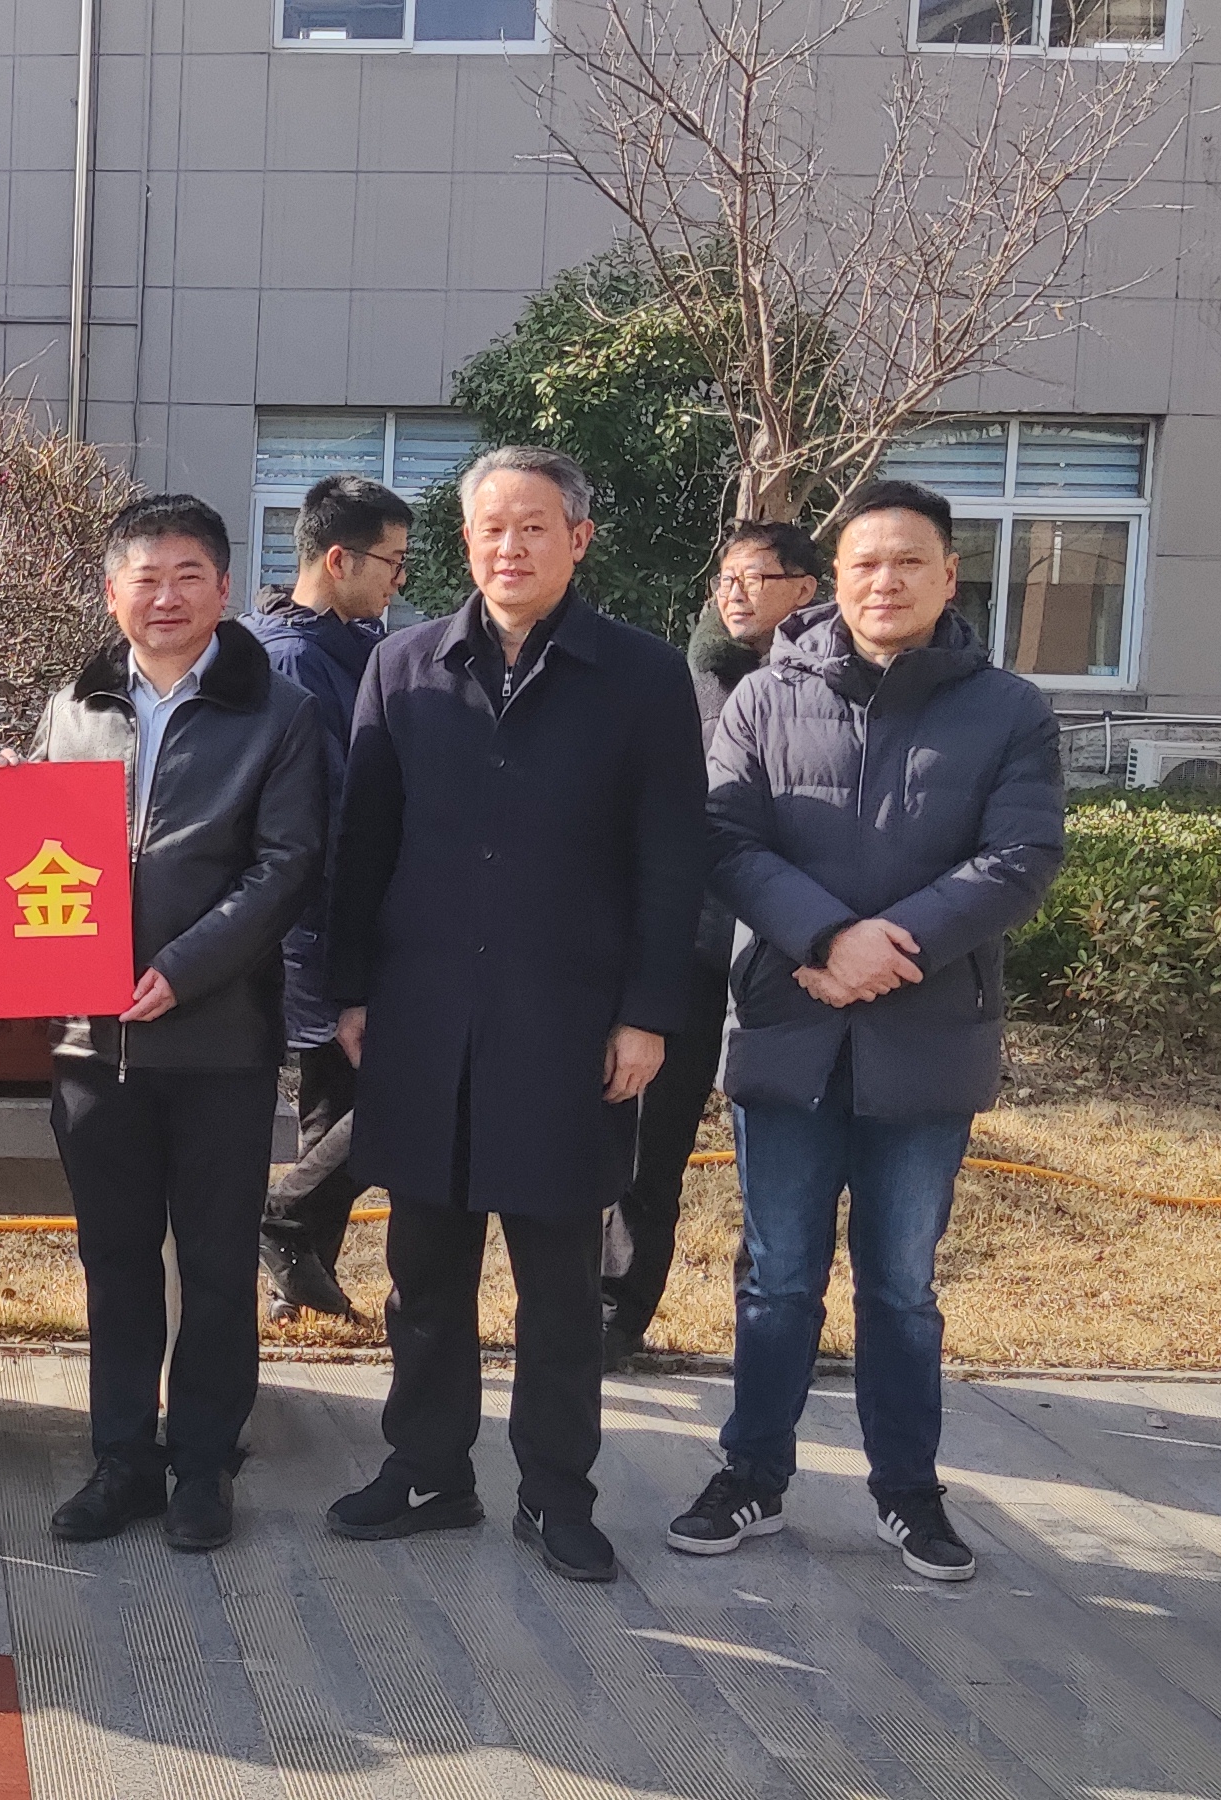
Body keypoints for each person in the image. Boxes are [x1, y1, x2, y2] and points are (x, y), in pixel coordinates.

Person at [319, 446, 704, 1584]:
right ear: (465, 541)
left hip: (567, 1021)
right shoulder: (403, 668)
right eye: (491, 527)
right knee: (424, 1271)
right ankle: (428, 1469)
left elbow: (672, 858)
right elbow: (362, 843)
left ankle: (556, 1493)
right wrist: (350, 991)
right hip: (425, 1015)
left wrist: (647, 1013)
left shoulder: (639, 677)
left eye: (535, 527)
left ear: (578, 540)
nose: (511, 547)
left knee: (559, 1287)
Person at [672, 481, 1061, 1582]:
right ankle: (751, 1475)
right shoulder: (764, 697)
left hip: (927, 1030)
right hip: (788, 1023)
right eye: (864, 564)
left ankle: (908, 1492)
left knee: (900, 1285)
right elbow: (722, 837)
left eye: (907, 562)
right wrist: (824, 938)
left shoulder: (1007, 709)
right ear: (831, 581)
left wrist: (891, 948)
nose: (884, 582)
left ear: (949, 576)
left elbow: (1021, 857)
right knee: (777, 1278)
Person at [31, 494, 329, 1555]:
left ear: (223, 587)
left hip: (217, 1042)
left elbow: (286, 865)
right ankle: (121, 1459)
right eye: (144, 578)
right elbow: (27, 848)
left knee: (213, 1266)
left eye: (187, 576)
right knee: (113, 1265)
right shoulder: (73, 705)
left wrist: (183, 968)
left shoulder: (279, 713)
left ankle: (202, 1464)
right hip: (90, 1045)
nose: (165, 597)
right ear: (112, 591)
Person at [603, 521, 826, 1366]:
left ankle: (771, 1324)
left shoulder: (832, 685)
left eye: (755, 577)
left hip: (789, 953)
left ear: (805, 589)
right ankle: (614, 1310)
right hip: (692, 946)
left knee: (781, 1158)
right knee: (647, 1140)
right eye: (725, 577)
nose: (734, 592)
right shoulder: (684, 679)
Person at [253, 474, 410, 1324]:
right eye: (392, 562)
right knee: (388, 1089)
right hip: (317, 921)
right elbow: (333, 811)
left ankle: (298, 1277)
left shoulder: (347, 646)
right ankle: (282, 1220)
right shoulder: (293, 660)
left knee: (336, 1099)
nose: (399, 581)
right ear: (339, 559)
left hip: (342, 916)